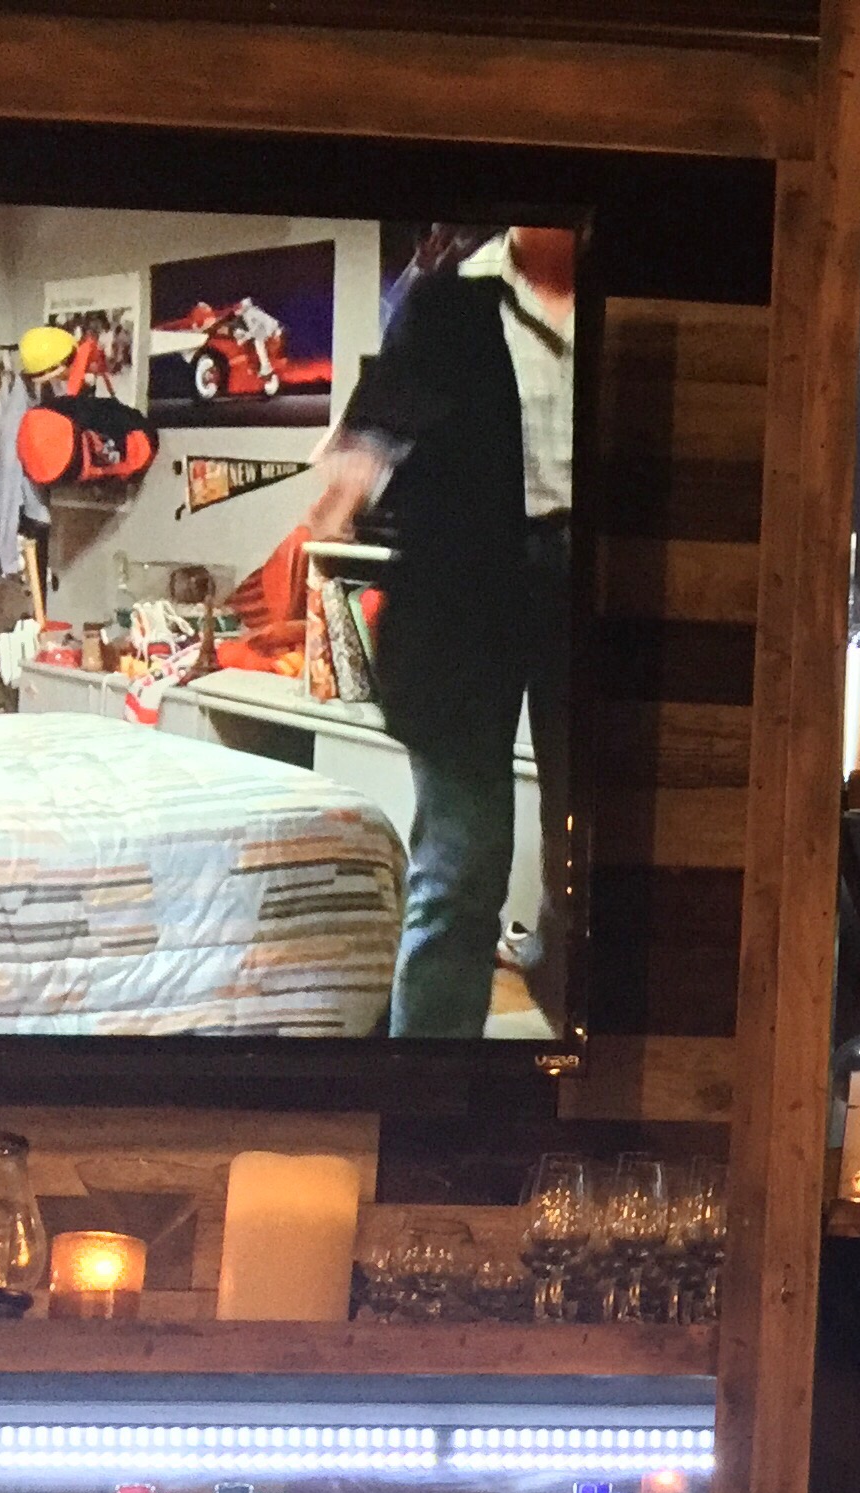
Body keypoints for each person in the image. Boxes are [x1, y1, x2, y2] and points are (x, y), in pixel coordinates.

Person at [309, 225, 574, 1037]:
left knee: (593, 870)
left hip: (592, 603)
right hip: (463, 604)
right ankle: (426, 1091)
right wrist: (357, 467)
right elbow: (382, 416)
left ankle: (575, 1066)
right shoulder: (447, 301)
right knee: (460, 868)